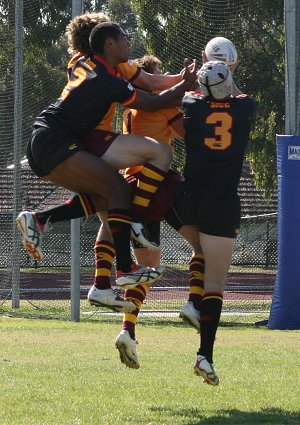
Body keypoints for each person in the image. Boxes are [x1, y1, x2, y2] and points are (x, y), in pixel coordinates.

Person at [17, 22, 197, 313]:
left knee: (108, 200)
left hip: (46, 142)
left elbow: (152, 82)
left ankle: (45, 225)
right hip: (61, 142)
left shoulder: (84, 62)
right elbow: (151, 99)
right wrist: (188, 86)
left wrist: (184, 81)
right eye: (124, 39)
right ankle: (126, 262)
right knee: (132, 179)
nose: (129, 45)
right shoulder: (108, 78)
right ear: (109, 45)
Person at [164, 61, 256, 385]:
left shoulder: (191, 102)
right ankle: (205, 355)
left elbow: (181, 99)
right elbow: (235, 93)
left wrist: (203, 75)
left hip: (187, 196)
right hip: (221, 201)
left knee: (196, 247)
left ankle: (190, 300)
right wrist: (227, 68)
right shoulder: (246, 106)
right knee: (215, 285)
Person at [115, 54, 184, 369]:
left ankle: (128, 329)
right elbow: (188, 134)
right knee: (203, 238)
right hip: (156, 186)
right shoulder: (161, 104)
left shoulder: (129, 109)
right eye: (158, 75)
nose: (163, 78)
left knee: (146, 268)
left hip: (131, 184)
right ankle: (198, 305)